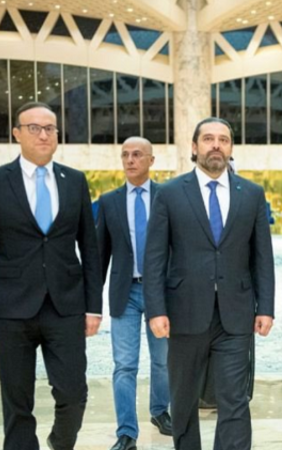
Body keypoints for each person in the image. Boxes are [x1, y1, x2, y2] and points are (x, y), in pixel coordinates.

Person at [0, 102, 103, 450]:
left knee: (73, 393)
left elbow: (90, 248)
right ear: (17, 134)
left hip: (65, 306)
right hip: (11, 309)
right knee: (17, 403)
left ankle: (60, 441)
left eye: (50, 128)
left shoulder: (75, 181)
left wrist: (94, 307)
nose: (43, 135)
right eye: (34, 128)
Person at [143, 117, 275, 450]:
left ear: (230, 148)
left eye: (223, 140)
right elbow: (154, 258)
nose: (216, 145)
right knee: (184, 398)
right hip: (183, 313)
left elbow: (263, 256)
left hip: (236, 315)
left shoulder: (252, 194)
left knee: (235, 398)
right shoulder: (169, 194)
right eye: (208, 139)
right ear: (194, 146)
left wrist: (266, 308)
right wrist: (156, 310)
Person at [96, 137, 171, 450]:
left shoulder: (168, 197)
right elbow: (100, 255)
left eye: (137, 154)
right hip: (123, 292)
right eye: (125, 155)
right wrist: (91, 304)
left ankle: (160, 411)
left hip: (161, 294)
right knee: (124, 365)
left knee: (162, 361)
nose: (130, 160)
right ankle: (126, 432)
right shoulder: (109, 201)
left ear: (151, 161)